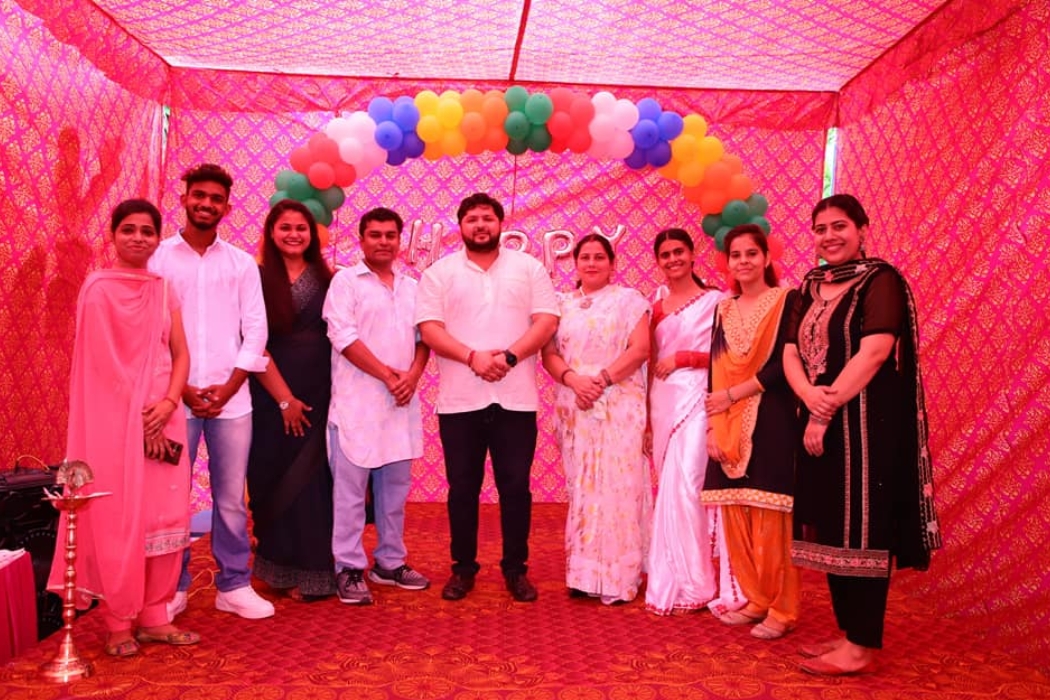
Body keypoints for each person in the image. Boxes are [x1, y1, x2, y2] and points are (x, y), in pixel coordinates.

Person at [784, 194, 940, 675]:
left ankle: (862, 644)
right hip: (817, 415)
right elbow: (789, 351)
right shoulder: (809, 286)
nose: (829, 236)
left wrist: (824, 409)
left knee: (862, 526)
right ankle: (848, 631)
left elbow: (875, 352)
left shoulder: (880, 280)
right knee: (833, 525)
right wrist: (808, 396)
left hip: (865, 423)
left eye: (840, 226)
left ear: (862, 230)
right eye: (821, 228)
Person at [48, 199, 199, 657]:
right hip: (115, 423)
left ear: (157, 238)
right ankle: (118, 622)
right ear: (112, 235)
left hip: (165, 418)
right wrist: (137, 414)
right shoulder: (98, 288)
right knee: (118, 517)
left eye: (147, 231)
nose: (138, 238)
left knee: (164, 516)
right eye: (128, 229)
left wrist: (169, 402)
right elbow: (100, 362)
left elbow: (181, 353)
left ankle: (154, 616)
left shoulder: (163, 288)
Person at [416, 193, 559, 603]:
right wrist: (471, 357)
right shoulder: (439, 273)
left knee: (516, 488)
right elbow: (429, 329)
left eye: (487, 218)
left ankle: (516, 569)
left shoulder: (529, 268)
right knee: (463, 488)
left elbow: (547, 321)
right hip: (460, 401)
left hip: (516, 399)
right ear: (460, 226)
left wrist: (509, 356)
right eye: (472, 219)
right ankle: (462, 569)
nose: (480, 225)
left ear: (501, 223)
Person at [150, 163, 274, 620]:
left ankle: (234, 584)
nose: (206, 204)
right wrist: (181, 389)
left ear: (226, 207)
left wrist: (230, 386)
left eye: (216, 199)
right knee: (170, 496)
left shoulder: (240, 264)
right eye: (199, 196)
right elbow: (151, 331)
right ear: (184, 198)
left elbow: (256, 329)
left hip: (232, 401)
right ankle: (171, 587)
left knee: (231, 499)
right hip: (172, 401)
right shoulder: (158, 259)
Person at [323, 207, 431, 605]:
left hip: (399, 406)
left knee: (394, 495)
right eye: (375, 235)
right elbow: (343, 337)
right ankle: (348, 566)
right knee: (350, 496)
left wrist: (412, 377)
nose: (383, 241)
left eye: (390, 235)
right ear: (362, 239)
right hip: (356, 406)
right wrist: (389, 376)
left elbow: (425, 337)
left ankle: (389, 562)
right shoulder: (345, 283)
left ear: (399, 240)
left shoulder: (413, 286)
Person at [540, 233, 651, 605]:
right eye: (584, 257)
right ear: (575, 263)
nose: (591, 263)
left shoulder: (629, 301)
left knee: (618, 487)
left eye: (599, 257)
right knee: (583, 488)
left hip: (618, 403)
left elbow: (640, 350)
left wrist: (601, 380)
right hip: (575, 404)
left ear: (612, 263)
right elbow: (549, 354)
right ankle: (584, 574)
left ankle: (619, 577)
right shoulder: (560, 304)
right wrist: (574, 380)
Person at [701, 224, 800, 640]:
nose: (743, 261)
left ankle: (782, 607)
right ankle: (756, 599)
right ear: (727, 262)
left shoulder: (787, 300)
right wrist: (713, 425)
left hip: (772, 415)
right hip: (726, 418)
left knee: (770, 515)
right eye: (736, 255)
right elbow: (716, 365)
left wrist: (734, 394)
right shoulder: (723, 309)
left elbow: (786, 364)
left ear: (766, 258)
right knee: (735, 514)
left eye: (751, 254)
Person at [644, 228, 745, 616]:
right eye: (665, 254)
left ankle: (698, 584)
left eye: (678, 252)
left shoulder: (716, 301)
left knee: (688, 486)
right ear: (658, 261)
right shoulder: (656, 306)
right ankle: (677, 576)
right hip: (663, 403)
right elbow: (651, 364)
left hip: (701, 399)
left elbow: (730, 355)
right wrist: (647, 424)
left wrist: (686, 358)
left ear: (692, 255)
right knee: (670, 491)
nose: (672, 259)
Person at [247, 200, 335, 600]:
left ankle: (317, 572)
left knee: (314, 483)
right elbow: (252, 341)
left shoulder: (329, 279)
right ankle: (278, 569)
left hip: (319, 395)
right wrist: (284, 400)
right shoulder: (255, 277)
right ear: (271, 232)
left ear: (312, 235)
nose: (294, 235)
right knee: (270, 476)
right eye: (285, 227)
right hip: (269, 395)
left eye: (301, 228)